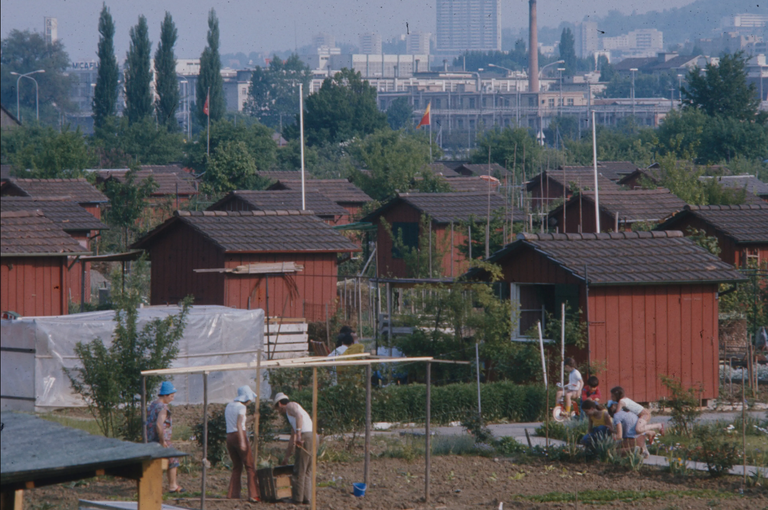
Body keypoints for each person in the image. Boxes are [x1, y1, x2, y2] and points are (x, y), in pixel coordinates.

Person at [275, 392, 313, 505]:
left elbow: (299, 416)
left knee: (299, 470)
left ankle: (297, 499)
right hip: (311, 437)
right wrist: (286, 457)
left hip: (305, 437)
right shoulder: (291, 416)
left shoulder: (290, 406)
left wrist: (299, 435)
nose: (278, 411)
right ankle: (306, 498)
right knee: (306, 470)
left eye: (277, 408)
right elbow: (292, 437)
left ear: (280, 404)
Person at [225, 385, 260, 502]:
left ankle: (233, 494)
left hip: (229, 436)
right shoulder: (241, 408)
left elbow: (238, 422)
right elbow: (239, 425)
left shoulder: (229, 406)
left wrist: (252, 418)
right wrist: (242, 442)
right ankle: (253, 494)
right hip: (239, 435)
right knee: (250, 466)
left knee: (237, 466)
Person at [147, 381, 183, 493]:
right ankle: (172, 486)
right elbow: (159, 424)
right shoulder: (163, 408)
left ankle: (151, 486)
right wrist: (163, 440)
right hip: (161, 439)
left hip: (151, 438)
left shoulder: (152, 405)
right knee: (173, 459)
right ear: (165, 395)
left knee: (153, 463)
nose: (172, 399)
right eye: (171, 396)